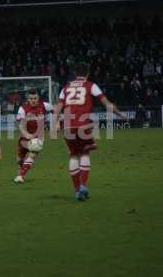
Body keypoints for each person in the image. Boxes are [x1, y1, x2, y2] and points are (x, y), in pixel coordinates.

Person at [53, 62, 127, 201]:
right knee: (85, 153)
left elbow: (58, 107)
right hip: (83, 124)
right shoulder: (91, 85)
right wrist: (120, 114)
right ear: (88, 73)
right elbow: (106, 103)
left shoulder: (66, 87)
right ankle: (83, 186)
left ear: (75, 73)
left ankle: (77, 191)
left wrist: (56, 123)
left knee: (74, 155)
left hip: (68, 125)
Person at [14, 89, 52, 184]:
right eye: (31, 98)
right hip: (24, 138)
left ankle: (20, 176)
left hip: (38, 137)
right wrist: (26, 134)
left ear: (38, 98)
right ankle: (21, 170)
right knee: (19, 160)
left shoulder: (44, 105)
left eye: (35, 98)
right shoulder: (22, 108)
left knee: (32, 154)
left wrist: (57, 123)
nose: (33, 100)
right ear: (28, 99)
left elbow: (55, 110)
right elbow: (20, 125)